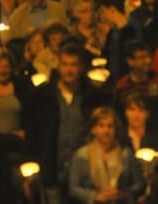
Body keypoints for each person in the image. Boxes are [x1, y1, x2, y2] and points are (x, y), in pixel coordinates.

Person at [27, 39, 107, 204]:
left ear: (81, 67)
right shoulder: (44, 97)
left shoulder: (93, 97)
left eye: (73, 65)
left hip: (85, 175)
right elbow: (33, 133)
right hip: (53, 171)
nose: (69, 70)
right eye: (64, 64)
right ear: (58, 66)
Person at [69, 106, 144, 203]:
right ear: (93, 129)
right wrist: (95, 196)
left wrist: (124, 193)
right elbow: (73, 188)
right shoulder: (82, 155)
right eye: (101, 126)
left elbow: (139, 184)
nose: (106, 131)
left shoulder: (126, 154)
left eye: (110, 126)